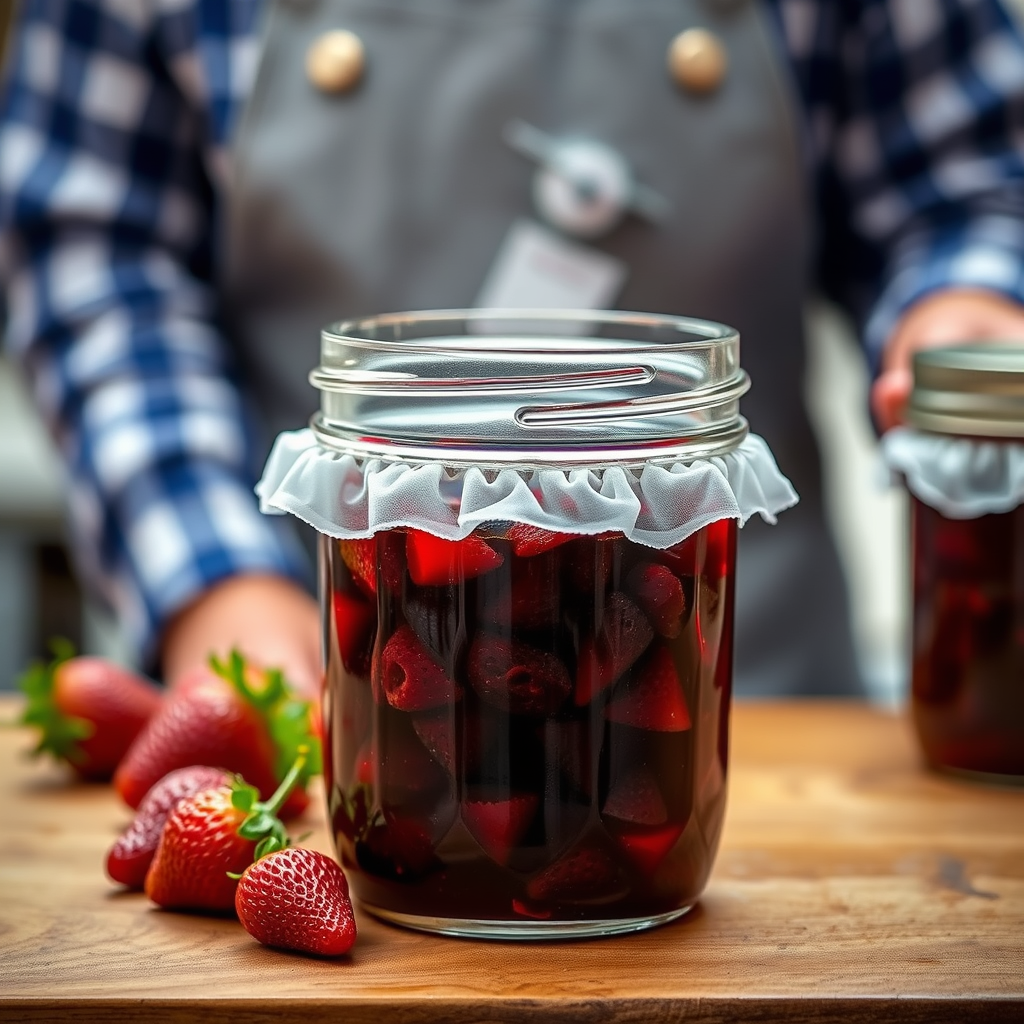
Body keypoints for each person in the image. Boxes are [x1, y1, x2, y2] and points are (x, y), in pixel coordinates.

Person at [2, 0, 1024, 699]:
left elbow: (964, 176)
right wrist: (215, 582)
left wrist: (970, 310)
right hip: (331, 671)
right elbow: (91, 253)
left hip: (753, 686)